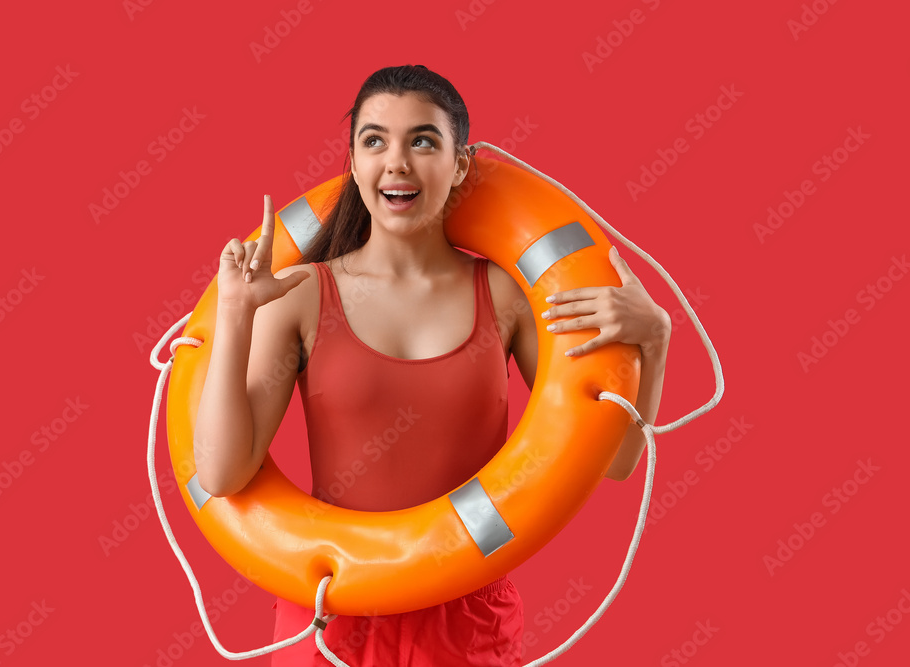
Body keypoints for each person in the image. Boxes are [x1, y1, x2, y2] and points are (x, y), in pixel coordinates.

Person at [193, 65, 672, 667]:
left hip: (465, 613)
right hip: (333, 605)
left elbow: (616, 461)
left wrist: (654, 343)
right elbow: (221, 473)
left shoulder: (506, 296)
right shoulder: (301, 293)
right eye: (375, 141)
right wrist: (235, 315)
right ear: (354, 162)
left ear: (461, 164)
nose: (397, 162)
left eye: (422, 140)